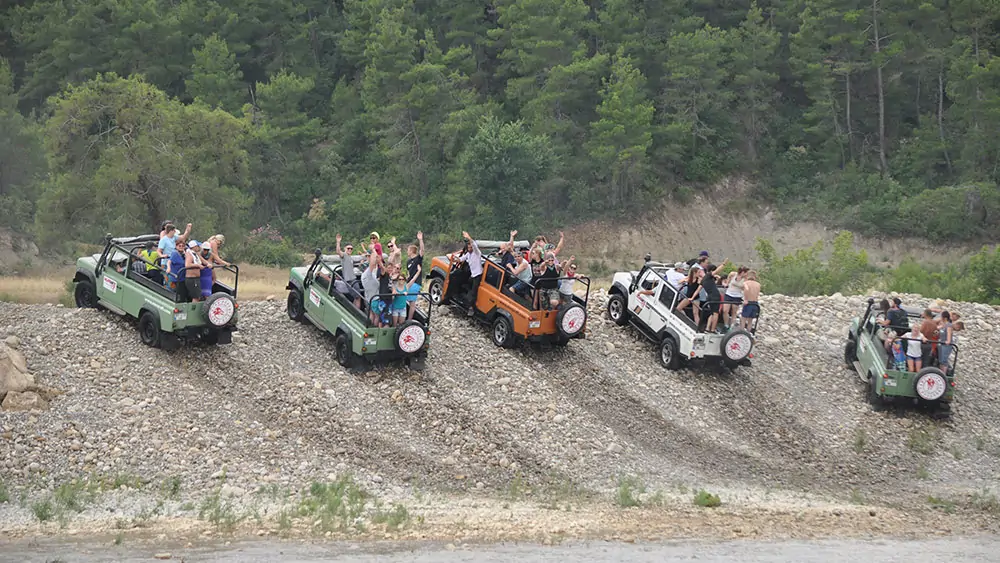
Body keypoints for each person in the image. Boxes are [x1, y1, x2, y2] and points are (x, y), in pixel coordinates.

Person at [455, 231, 482, 316]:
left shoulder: (477, 253)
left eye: (471, 248)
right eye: (468, 248)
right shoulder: (468, 254)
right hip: (473, 274)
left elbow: (474, 244)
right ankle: (464, 296)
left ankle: (471, 308)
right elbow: (461, 259)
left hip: (478, 275)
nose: (470, 249)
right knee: (466, 283)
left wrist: (468, 237)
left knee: (474, 292)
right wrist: (454, 259)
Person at [336, 234, 361, 308]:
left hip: (353, 279)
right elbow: (338, 251)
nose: (350, 250)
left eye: (351, 248)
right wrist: (338, 242)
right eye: (348, 248)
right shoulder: (344, 255)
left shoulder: (350, 257)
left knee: (357, 297)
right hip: (349, 280)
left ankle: (354, 310)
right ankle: (357, 312)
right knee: (358, 297)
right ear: (345, 249)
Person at [361, 249, 385, 326]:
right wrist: (373, 251)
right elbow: (371, 264)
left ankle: (370, 326)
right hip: (374, 298)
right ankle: (374, 327)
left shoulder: (368, 276)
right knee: (377, 316)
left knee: (371, 314)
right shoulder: (367, 274)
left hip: (369, 298)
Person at [405, 232, 425, 321]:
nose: (407, 252)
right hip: (408, 282)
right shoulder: (408, 261)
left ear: (411, 251)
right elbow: (408, 273)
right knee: (404, 299)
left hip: (416, 283)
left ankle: (409, 319)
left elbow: (422, 250)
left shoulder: (418, 259)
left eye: (408, 250)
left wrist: (420, 240)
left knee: (412, 302)